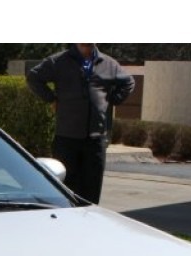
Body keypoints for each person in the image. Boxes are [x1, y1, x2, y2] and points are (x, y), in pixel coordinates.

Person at [26, 44, 135, 204]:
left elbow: (128, 82)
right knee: (65, 192)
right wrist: (51, 98)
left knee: (91, 193)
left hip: (95, 141)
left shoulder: (109, 63)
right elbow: (33, 77)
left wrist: (111, 100)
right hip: (66, 139)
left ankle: (89, 226)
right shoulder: (59, 61)